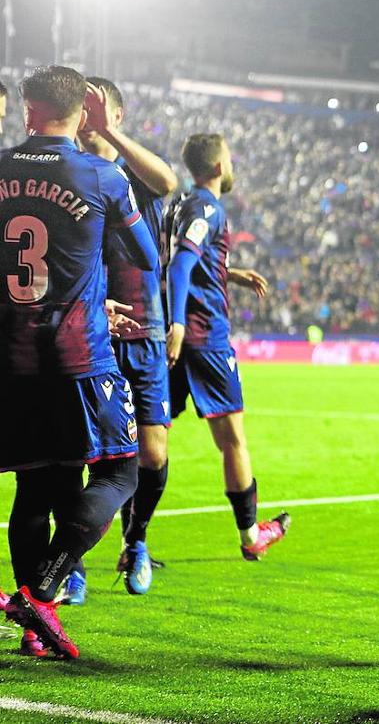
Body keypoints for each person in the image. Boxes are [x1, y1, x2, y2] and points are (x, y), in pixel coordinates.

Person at [0, 66, 159, 658]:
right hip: (79, 355)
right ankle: (41, 593)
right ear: (86, 114)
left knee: (36, 486)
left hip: (13, 360)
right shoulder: (100, 172)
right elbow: (143, 254)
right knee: (120, 474)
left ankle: (32, 633)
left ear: (28, 111)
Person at [74, 76, 179, 598]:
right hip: (87, 329)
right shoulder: (68, 171)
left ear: (114, 113)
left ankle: (135, 540)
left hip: (145, 328)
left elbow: (168, 183)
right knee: (79, 451)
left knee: (153, 454)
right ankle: (72, 564)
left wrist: (111, 136)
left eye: (96, 107)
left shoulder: (133, 174)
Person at [165, 133, 289, 560]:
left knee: (151, 437)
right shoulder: (206, 206)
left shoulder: (180, 204)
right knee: (233, 440)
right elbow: (180, 265)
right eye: (230, 158)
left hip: (183, 336)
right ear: (218, 167)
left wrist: (228, 272)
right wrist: (179, 323)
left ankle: (134, 540)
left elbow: (187, 257)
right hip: (205, 338)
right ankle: (251, 535)